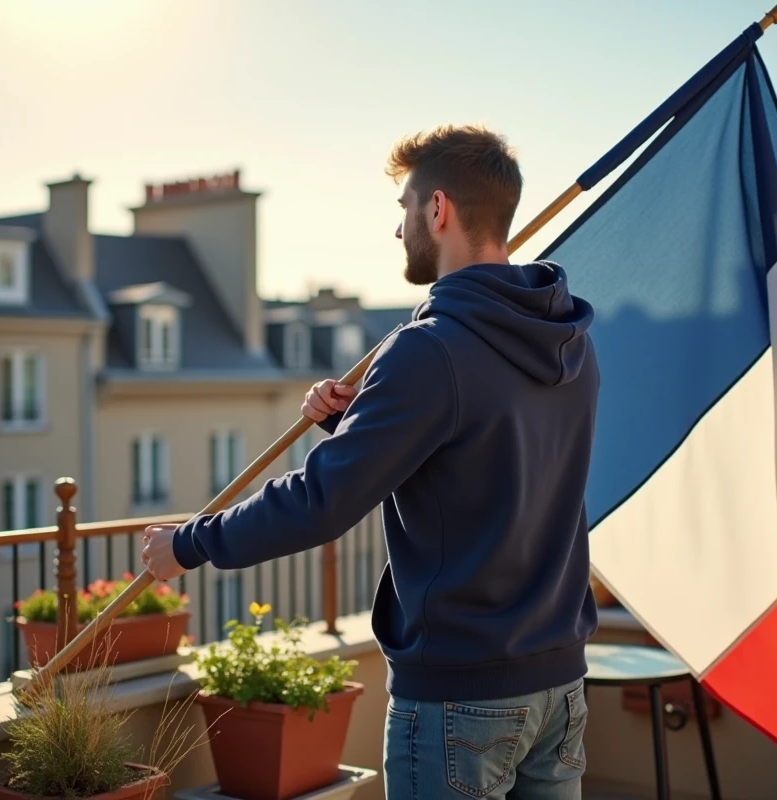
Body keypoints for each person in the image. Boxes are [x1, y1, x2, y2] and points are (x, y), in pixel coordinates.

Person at [142, 124, 600, 799]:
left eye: (404, 208)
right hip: (558, 685)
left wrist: (189, 543)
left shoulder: (429, 350)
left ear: (437, 209)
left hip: (459, 699)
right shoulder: (571, 344)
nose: (399, 231)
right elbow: (480, 453)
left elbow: (322, 502)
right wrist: (351, 422)